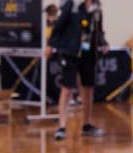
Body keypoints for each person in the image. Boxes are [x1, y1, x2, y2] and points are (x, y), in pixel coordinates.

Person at [46, 0, 109, 141]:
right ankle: (61, 127)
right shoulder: (72, 4)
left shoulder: (97, 8)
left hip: (89, 53)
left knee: (88, 88)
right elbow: (59, 25)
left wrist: (103, 42)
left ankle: (87, 125)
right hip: (70, 52)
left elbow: (99, 31)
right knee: (67, 88)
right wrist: (51, 45)